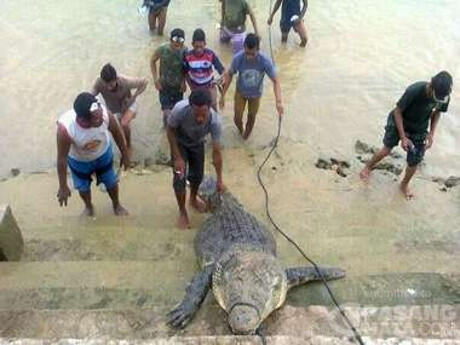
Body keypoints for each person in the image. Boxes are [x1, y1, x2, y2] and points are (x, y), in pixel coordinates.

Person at [360, 71, 453, 200]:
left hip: (419, 127)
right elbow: (397, 110)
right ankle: (367, 167)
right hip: (399, 119)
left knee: (415, 159)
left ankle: (404, 185)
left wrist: (431, 134)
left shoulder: (444, 97)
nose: (437, 99)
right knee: (387, 149)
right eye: (435, 95)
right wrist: (403, 137)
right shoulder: (415, 90)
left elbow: (437, 113)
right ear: (431, 85)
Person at [56, 92, 130, 216]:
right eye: (96, 118)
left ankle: (116, 204)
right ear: (82, 120)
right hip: (79, 160)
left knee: (111, 182)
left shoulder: (104, 114)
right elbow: (61, 159)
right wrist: (63, 186)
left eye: (100, 113)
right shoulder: (66, 129)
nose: (101, 118)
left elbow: (117, 132)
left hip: (103, 154)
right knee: (83, 188)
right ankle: (89, 207)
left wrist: (125, 153)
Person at [166, 89, 224, 229]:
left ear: (209, 108)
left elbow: (216, 152)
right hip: (180, 143)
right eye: (196, 114)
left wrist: (220, 179)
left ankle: (192, 199)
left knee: (198, 176)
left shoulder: (215, 121)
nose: (199, 118)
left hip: (197, 143)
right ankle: (182, 212)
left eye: (203, 114)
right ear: (190, 107)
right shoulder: (180, 110)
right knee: (179, 178)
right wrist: (177, 157)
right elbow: (170, 130)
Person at [220, 34, 284, 140]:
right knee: (237, 118)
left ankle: (245, 139)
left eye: (252, 54)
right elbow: (230, 74)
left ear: (258, 49)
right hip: (240, 92)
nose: (249, 57)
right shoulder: (238, 58)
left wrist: (278, 102)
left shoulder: (265, 61)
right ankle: (240, 131)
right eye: (247, 53)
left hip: (256, 95)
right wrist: (222, 95)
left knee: (251, 118)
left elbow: (276, 81)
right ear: (243, 47)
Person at [92, 63, 147, 161]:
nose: (109, 87)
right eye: (106, 84)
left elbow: (144, 82)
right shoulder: (99, 82)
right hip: (114, 109)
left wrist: (134, 97)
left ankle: (129, 146)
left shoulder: (125, 81)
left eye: (111, 84)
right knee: (113, 129)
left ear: (116, 79)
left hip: (129, 105)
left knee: (124, 124)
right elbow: (91, 96)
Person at [151, 28, 187, 127]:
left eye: (180, 43)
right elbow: (152, 60)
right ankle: (166, 131)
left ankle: (170, 133)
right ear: (170, 40)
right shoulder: (162, 49)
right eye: (175, 42)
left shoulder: (185, 51)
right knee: (167, 113)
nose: (177, 46)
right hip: (164, 85)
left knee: (177, 113)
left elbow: (186, 68)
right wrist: (155, 79)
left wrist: (184, 82)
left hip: (178, 87)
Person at [183, 28, 226, 110]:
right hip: (195, 87)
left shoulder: (210, 55)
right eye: (196, 47)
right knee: (195, 109)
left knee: (213, 106)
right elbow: (185, 73)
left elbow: (222, 70)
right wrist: (191, 87)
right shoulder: (187, 56)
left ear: (205, 44)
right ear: (192, 44)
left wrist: (222, 78)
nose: (199, 49)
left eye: (201, 47)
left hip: (209, 85)